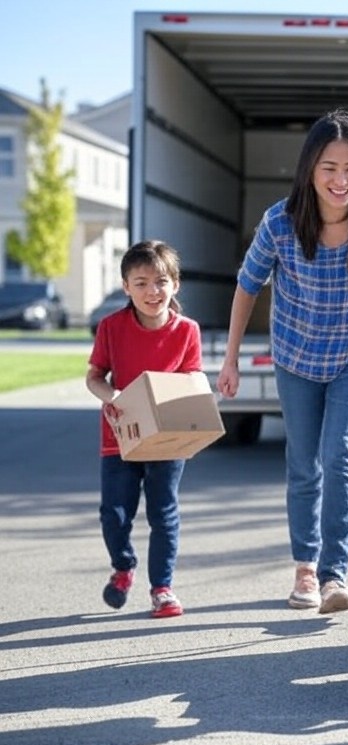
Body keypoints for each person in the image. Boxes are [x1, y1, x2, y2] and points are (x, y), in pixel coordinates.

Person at [217, 108, 348, 613]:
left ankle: (334, 575)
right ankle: (305, 570)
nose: (341, 179)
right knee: (303, 464)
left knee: (341, 456)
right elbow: (248, 285)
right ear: (310, 168)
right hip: (295, 355)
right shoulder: (281, 222)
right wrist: (231, 358)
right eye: (329, 167)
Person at [86, 240, 203, 619]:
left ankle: (162, 589)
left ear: (176, 285)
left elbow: (191, 378)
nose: (152, 291)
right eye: (141, 283)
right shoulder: (111, 327)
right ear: (126, 287)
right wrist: (114, 397)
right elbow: (94, 377)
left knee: (163, 514)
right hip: (119, 436)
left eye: (161, 281)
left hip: (167, 439)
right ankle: (123, 567)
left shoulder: (187, 331)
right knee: (115, 514)